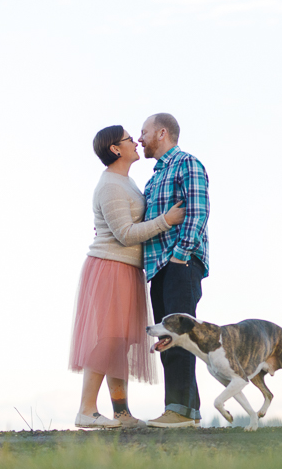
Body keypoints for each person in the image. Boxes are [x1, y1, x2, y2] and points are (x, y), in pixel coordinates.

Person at [69, 125, 186, 428]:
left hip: (127, 268)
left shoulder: (127, 182)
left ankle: (121, 413)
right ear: (115, 149)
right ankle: (86, 409)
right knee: (108, 337)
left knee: (120, 341)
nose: (135, 141)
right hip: (110, 265)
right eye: (128, 139)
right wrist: (166, 220)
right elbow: (124, 234)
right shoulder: (110, 185)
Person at [138, 113, 210, 428]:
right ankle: (184, 412)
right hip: (160, 269)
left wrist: (181, 256)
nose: (140, 138)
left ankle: (179, 411)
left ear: (162, 133)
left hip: (180, 264)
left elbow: (197, 211)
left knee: (179, 338)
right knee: (170, 340)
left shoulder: (187, 164)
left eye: (144, 132)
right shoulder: (153, 179)